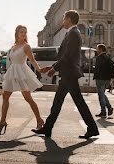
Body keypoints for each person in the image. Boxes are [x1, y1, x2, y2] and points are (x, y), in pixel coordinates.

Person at [33, 10, 100, 139]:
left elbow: (68, 56)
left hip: (69, 74)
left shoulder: (73, 34)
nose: (62, 21)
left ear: (69, 19)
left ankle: (92, 128)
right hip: (68, 73)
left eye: (64, 18)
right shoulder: (71, 33)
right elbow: (65, 56)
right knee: (58, 102)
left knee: (78, 102)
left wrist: (54, 69)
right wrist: (52, 67)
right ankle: (47, 128)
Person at [0, 25, 45, 134]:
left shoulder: (26, 46)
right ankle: (2, 122)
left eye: (25, 32)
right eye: (22, 32)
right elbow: (11, 62)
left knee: (28, 98)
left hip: (22, 72)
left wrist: (39, 70)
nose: (24, 34)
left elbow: (32, 60)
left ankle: (39, 120)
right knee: (5, 96)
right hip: (13, 71)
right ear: (17, 33)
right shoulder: (13, 47)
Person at [91, 44, 114, 118]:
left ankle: (103, 111)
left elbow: (97, 68)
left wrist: (95, 76)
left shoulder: (99, 58)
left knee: (101, 96)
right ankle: (109, 107)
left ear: (100, 49)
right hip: (107, 79)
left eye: (97, 49)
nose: (97, 50)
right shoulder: (108, 57)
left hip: (100, 79)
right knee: (102, 94)